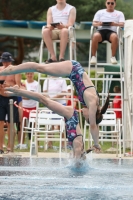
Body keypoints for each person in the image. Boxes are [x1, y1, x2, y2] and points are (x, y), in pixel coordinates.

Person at [0, 60, 110, 151]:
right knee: (40, 68)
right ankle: (10, 70)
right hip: (73, 69)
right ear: (92, 114)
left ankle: (11, 71)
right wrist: (97, 143)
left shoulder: (91, 102)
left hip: (72, 72)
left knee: (40, 69)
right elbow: (93, 125)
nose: (84, 114)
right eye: (87, 117)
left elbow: (93, 123)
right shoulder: (92, 102)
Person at [4, 85, 93, 159]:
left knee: (43, 100)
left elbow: (81, 154)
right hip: (70, 114)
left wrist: (92, 148)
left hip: (69, 115)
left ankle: (19, 92)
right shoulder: (78, 144)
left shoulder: (77, 145)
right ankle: (19, 92)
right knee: (43, 100)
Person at [90, 0, 125, 65]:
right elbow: (94, 23)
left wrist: (114, 24)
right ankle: (93, 56)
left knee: (115, 37)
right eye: (108, 3)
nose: (110, 5)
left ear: (115, 4)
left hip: (112, 31)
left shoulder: (119, 13)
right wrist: (100, 24)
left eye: (112, 3)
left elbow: (122, 24)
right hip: (101, 30)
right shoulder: (100, 12)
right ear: (106, 4)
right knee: (95, 36)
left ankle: (113, 57)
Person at [0, 52, 21, 154]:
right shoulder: (0, 70)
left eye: (6, 62)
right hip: (1, 98)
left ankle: (9, 146)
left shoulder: (15, 70)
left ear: (10, 61)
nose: (5, 64)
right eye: (3, 62)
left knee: (11, 124)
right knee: (0, 123)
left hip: (12, 98)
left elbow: (18, 86)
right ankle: (0, 147)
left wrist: (8, 86)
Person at [43, 76, 67, 148]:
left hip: (61, 104)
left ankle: (63, 144)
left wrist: (53, 98)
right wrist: (50, 100)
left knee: (62, 124)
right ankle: (49, 144)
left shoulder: (62, 79)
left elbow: (63, 92)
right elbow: (44, 92)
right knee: (50, 124)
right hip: (50, 105)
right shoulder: (46, 80)